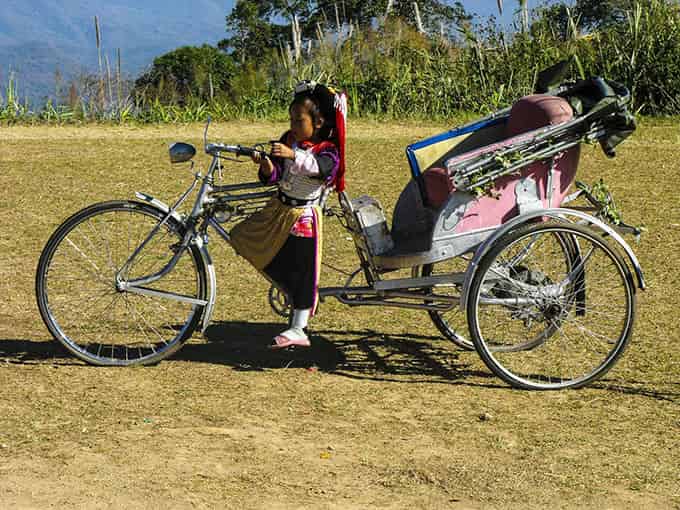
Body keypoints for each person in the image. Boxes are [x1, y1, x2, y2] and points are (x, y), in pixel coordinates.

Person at [230, 81, 347, 349]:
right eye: (291, 120)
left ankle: (299, 328)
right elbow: (276, 176)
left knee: (303, 271)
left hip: (303, 217)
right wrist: (267, 165)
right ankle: (287, 295)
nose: (293, 125)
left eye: (299, 120)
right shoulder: (289, 140)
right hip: (279, 210)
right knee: (244, 236)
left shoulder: (328, 150)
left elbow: (320, 169)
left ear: (317, 122)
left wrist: (293, 155)